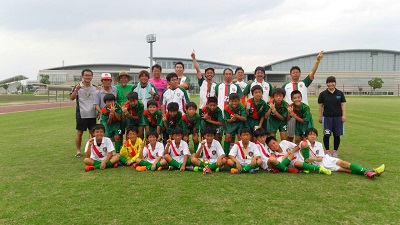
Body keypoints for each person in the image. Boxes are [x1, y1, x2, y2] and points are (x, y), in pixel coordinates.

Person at [298, 128, 385, 178]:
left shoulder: (319, 144)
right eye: (310, 134)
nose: (313, 136)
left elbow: (320, 157)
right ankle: (371, 172)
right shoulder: (304, 144)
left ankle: (370, 171)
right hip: (322, 165)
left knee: (344, 163)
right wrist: (309, 160)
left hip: (327, 159)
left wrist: (310, 159)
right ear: (306, 136)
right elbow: (303, 152)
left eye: (314, 135)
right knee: (345, 170)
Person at [283, 51, 324, 142]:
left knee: (304, 136)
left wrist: (317, 61)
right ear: (290, 74)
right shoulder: (286, 85)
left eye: (297, 72)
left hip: (303, 113)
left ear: (300, 74)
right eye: (293, 72)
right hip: (291, 113)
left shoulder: (304, 83)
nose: (295, 74)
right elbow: (278, 96)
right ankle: (290, 152)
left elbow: (312, 72)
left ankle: (304, 152)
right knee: (290, 135)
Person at [70, 69, 97, 158]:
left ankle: (93, 149)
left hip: (92, 113)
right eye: (86, 75)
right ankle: (78, 150)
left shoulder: (94, 87)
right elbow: (72, 98)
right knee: (80, 132)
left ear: (92, 77)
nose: (88, 77)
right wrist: (76, 90)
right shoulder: (78, 86)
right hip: (81, 113)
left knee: (92, 133)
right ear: (82, 76)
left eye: (89, 75)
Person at [318, 76, 346, 157]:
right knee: (327, 134)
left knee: (337, 135)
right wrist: (320, 116)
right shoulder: (323, 94)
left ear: (335, 83)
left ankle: (335, 151)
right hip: (327, 117)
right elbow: (320, 106)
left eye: (332, 82)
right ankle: (327, 151)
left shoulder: (340, 93)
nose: (331, 84)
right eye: (329, 82)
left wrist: (344, 115)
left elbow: (343, 105)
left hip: (338, 117)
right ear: (326, 84)